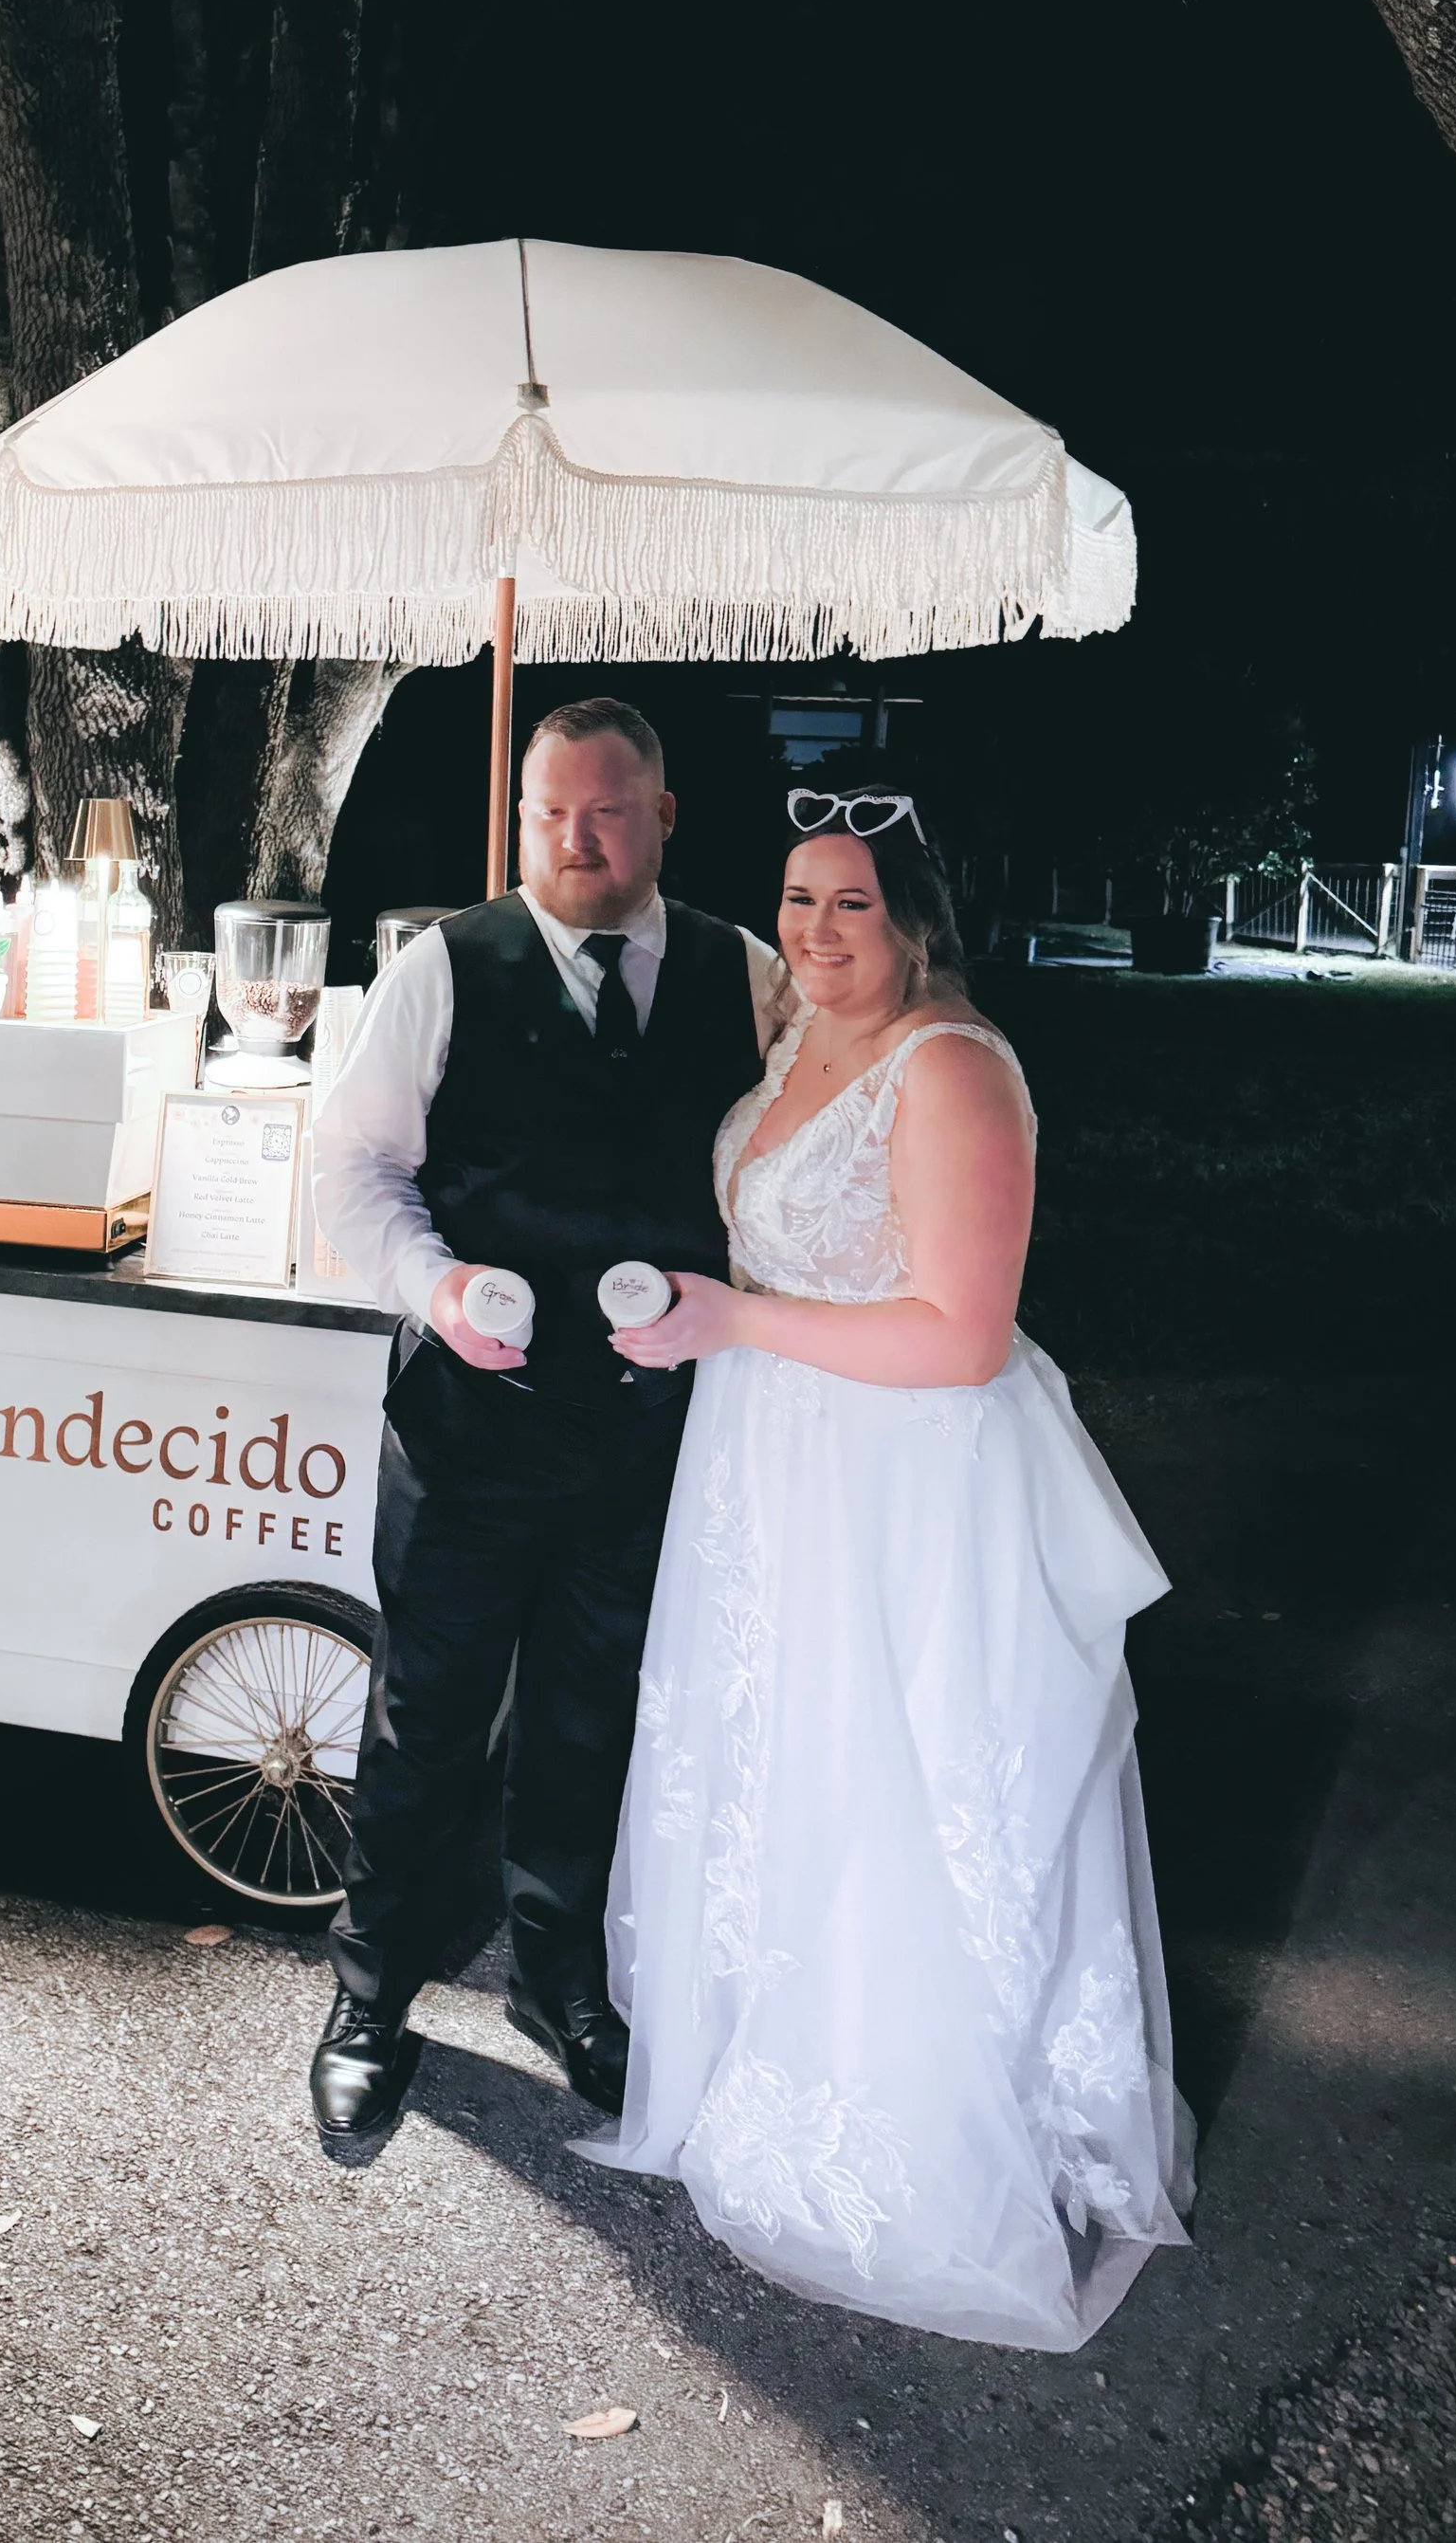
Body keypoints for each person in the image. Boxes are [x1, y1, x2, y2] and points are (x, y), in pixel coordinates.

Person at [576, 787, 1192, 2348]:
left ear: (915, 920)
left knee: (898, 1790)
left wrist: (734, 1319)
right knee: (779, 1767)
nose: (815, 931)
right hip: (774, 1469)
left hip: (904, 1491)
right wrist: (699, 1317)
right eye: (796, 899)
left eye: (851, 904)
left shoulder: (954, 1069)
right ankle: (760, 2069)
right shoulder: (801, 1040)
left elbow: (960, 1333)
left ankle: (924, 2136)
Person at [307, 697, 793, 2149]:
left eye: (608, 811)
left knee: (598, 1718)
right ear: (520, 818)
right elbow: (352, 1169)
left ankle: (561, 1979)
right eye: (550, 814)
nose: (577, 840)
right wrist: (434, 1284)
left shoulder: (748, 975)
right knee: (428, 1719)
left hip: (653, 1434)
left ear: (663, 816)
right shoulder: (442, 967)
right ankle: (372, 1991)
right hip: (472, 1424)